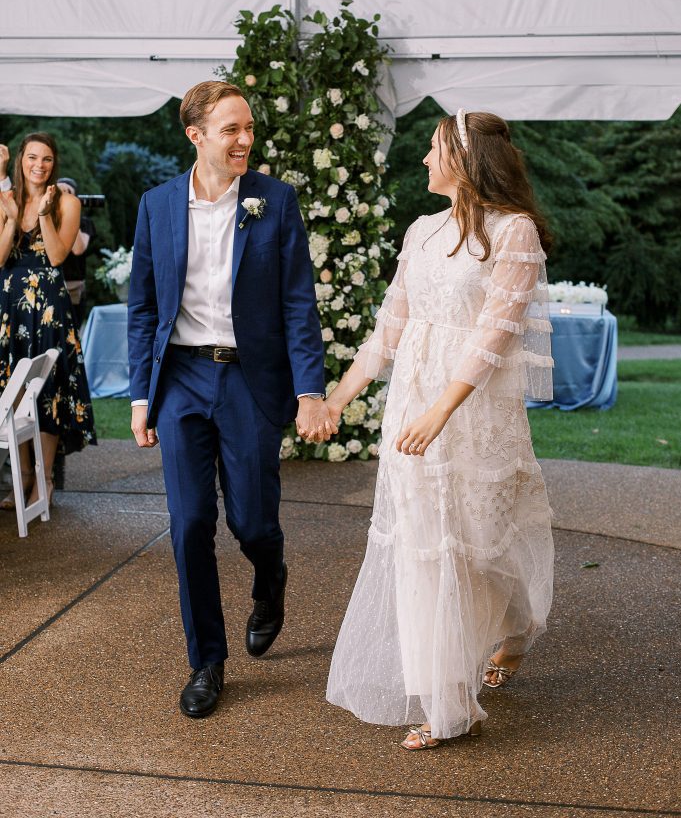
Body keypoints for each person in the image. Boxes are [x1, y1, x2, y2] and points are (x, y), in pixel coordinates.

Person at [325, 109, 555, 750]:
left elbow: (493, 338)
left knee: (484, 546)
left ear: (465, 158)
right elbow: (389, 329)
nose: (425, 160)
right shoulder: (421, 232)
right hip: (411, 413)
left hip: (471, 415)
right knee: (428, 550)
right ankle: (451, 704)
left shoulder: (515, 235)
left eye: (433, 149)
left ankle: (513, 628)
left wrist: (441, 411)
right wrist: (339, 399)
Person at [128, 80, 336, 720]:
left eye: (249, 128)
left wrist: (309, 391)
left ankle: (269, 582)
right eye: (231, 130)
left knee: (250, 521)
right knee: (190, 523)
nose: (246, 140)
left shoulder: (275, 201)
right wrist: (142, 397)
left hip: (249, 380)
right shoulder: (157, 205)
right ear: (196, 136)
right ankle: (207, 660)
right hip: (182, 381)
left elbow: (298, 301)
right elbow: (142, 309)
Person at [0, 133, 96, 510]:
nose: (39, 166)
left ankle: (45, 479)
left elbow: (57, 256)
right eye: (32, 158)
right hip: (11, 307)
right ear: (21, 160)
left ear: (55, 164)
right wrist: (10, 218)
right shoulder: (7, 199)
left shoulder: (66, 202)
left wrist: (42, 213)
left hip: (49, 310)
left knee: (47, 391)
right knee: (14, 394)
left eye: (47, 159)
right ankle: (22, 479)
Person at [57, 178, 96, 331]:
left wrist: (70, 213)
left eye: (68, 192)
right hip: (49, 284)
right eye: (60, 192)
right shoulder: (45, 218)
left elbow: (78, 249)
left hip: (73, 287)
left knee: (72, 334)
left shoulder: (84, 222)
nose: (63, 195)